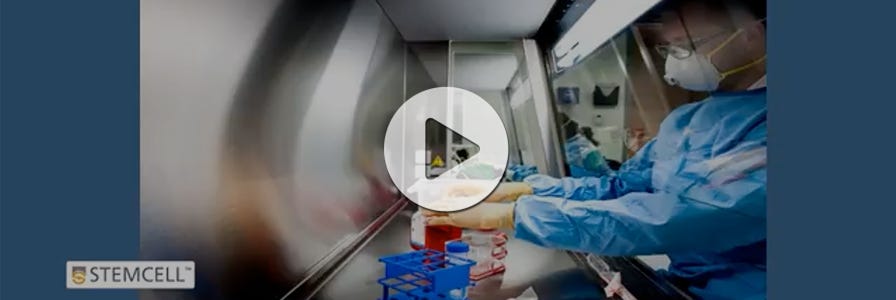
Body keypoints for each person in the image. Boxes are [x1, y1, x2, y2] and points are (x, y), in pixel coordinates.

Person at [426, 0, 767, 299]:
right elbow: (619, 187)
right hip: (679, 284)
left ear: (752, 34)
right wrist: (527, 189)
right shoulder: (687, 120)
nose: (676, 59)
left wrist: (517, 214)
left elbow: (677, 217)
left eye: (688, 45)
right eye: (670, 48)